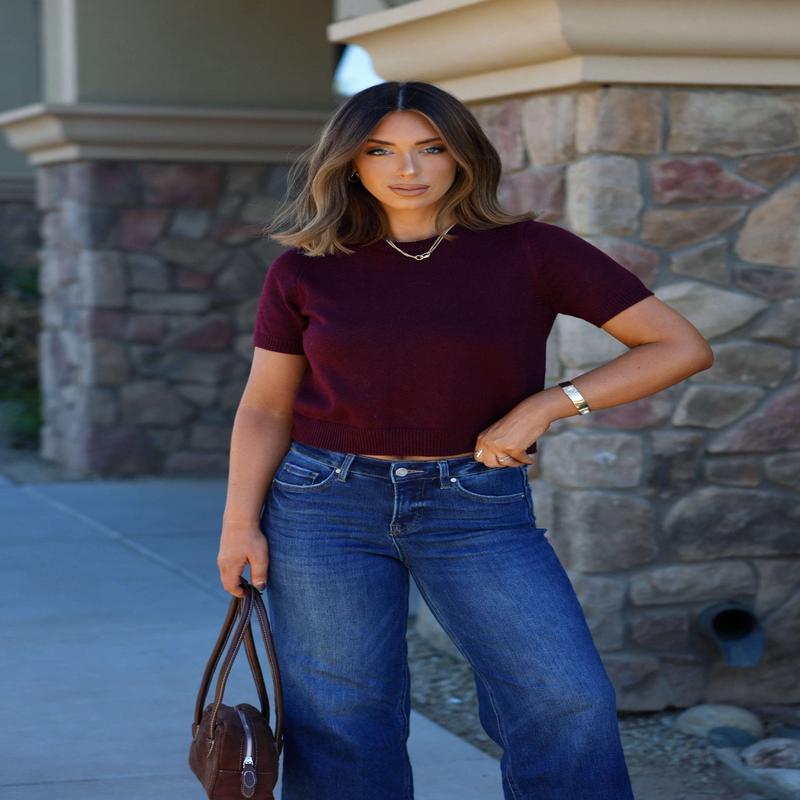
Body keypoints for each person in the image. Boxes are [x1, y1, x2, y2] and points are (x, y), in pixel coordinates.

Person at [217, 80, 713, 800]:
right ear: (350, 163)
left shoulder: (531, 252)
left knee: (565, 698)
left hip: (474, 504)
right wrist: (239, 524)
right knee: (342, 718)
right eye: (380, 150)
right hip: (323, 504)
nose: (406, 168)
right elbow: (265, 407)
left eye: (431, 148)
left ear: (463, 157)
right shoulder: (305, 267)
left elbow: (677, 346)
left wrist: (549, 404)